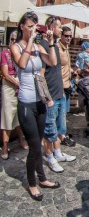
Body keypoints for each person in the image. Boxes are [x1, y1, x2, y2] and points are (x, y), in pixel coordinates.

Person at [10, 11, 60, 201]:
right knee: (34, 147)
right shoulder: (16, 47)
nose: (32, 29)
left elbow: (53, 62)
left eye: (34, 26)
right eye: (29, 26)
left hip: (39, 102)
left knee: (39, 143)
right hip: (25, 103)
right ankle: (32, 183)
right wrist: (30, 41)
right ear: (22, 26)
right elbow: (22, 64)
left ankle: (43, 178)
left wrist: (51, 42)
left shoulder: (39, 46)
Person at [39, 16, 76, 173]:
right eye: (59, 27)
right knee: (49, 129)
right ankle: (49, 156)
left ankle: (58, 153)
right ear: (50, 27)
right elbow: (41, 76)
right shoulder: (42, 46)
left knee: (58, 127)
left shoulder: (54, 45)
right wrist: (47, 98)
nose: (61, 30)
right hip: (51, 96)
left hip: (59, 91)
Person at [1, 30, 27, 159]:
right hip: (10, 83)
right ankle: (5, 145)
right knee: (7, 114)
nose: (13, 42)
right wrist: (18, 84)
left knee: (19, 113)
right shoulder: (5, 53)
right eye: (11, 40)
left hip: (20, 82)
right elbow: (5, 74)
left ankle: (21, 139)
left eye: (15, 40)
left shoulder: (21, 52)